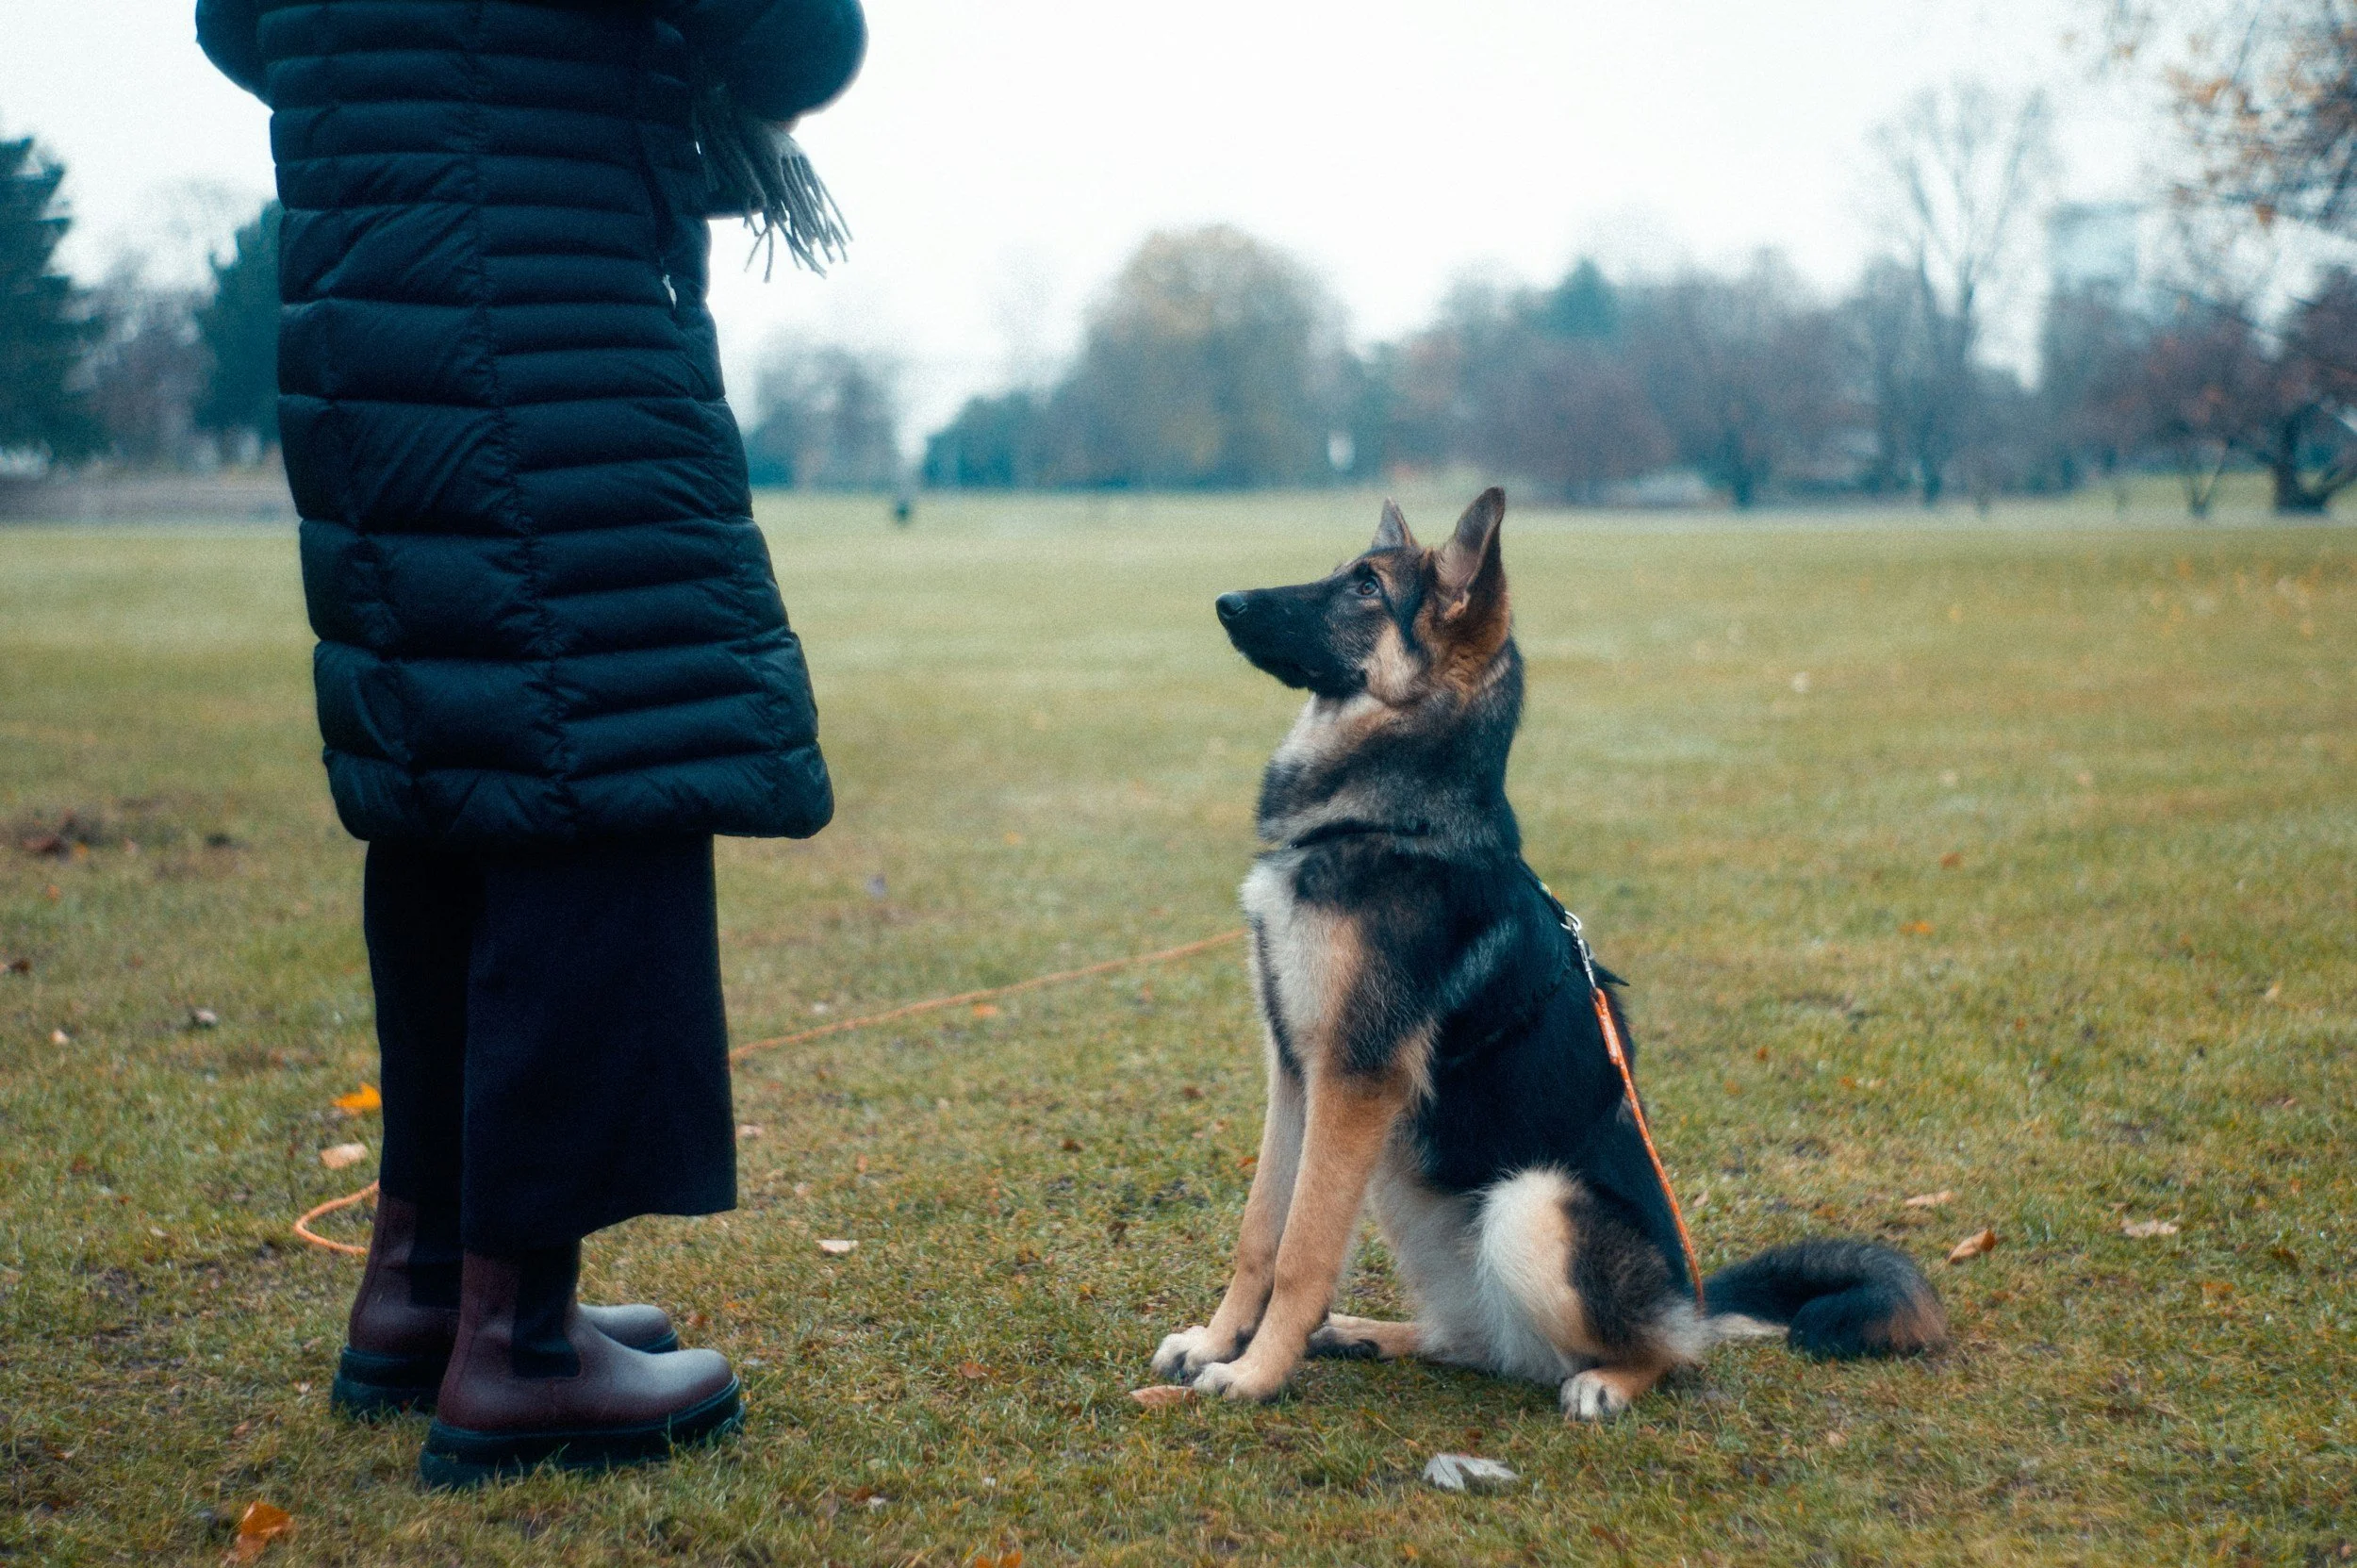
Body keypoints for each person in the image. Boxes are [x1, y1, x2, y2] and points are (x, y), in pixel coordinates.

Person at [194, 0, 865, 1488]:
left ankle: (426, 1285)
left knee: (461, 771)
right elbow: (801, 39)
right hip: (545, 311)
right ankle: (526, 1347)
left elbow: (237, 25)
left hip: (367, 303)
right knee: (600, 766)